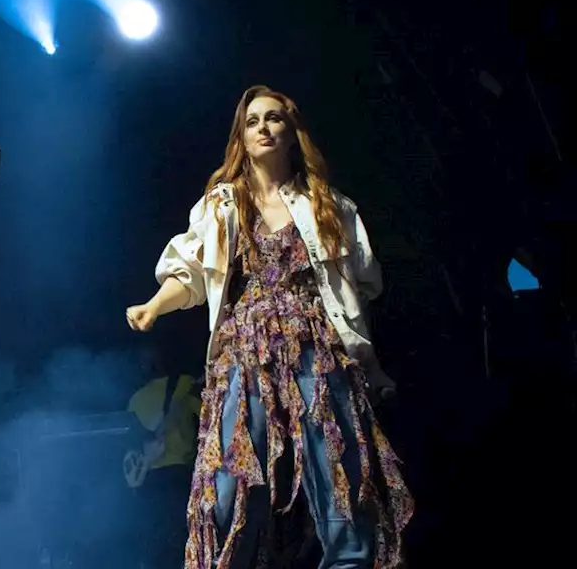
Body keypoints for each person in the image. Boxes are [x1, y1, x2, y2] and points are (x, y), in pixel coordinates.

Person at [126, 86, 413, 568]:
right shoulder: (222, 206)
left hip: (316, 351)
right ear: (241, 135)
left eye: (274, 118)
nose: (263, 127)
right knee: (230, 485)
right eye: (253, 120)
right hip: (245, 353)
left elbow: (357, 291)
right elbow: (191, 273)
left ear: (292, 131)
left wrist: (370, 362)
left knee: (338, 478)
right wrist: (155, 305)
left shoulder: (327, 205)